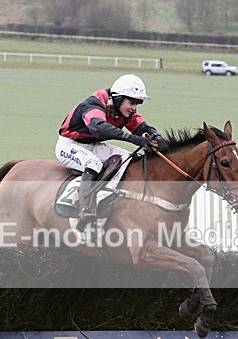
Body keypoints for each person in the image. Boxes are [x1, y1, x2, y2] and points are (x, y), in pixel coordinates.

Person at [56, 74, 168, 229]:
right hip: (69, 145)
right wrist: (133, 139)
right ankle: (85, 208)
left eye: (137, 103)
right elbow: (99, 127)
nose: (134, 107)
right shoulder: (93, 103)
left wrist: (158, 138)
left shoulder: (123, 110)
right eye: (131, 102)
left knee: (127, 159)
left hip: (93, 144)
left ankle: (112, 197)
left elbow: (142, 127)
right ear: (119, 98)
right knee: (93, 163)